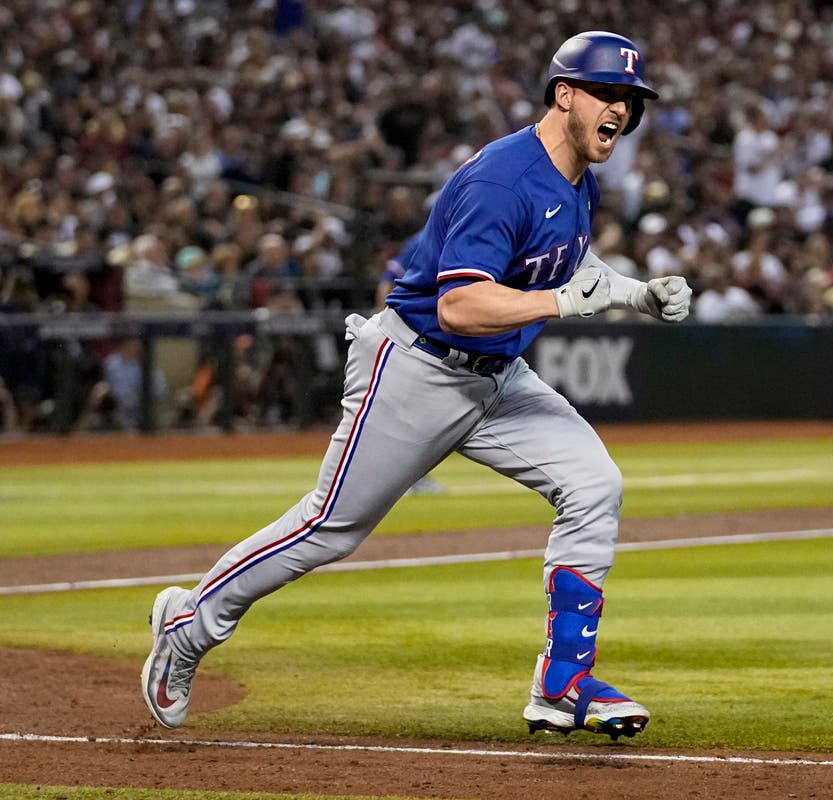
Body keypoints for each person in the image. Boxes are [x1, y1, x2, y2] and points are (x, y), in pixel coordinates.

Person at [141, 30, 691, 741]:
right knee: (328, 529)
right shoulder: (504, 178)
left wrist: (632, 293)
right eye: (608, 94)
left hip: (497, 380)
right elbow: (462, 304)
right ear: (564, 94)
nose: (621, 110)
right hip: (418, 367)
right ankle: (190, 622)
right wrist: (566, 304)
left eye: (630, 100)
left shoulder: (577, 180)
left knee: (594, 484)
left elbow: (557, 275)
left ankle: (564, 683)